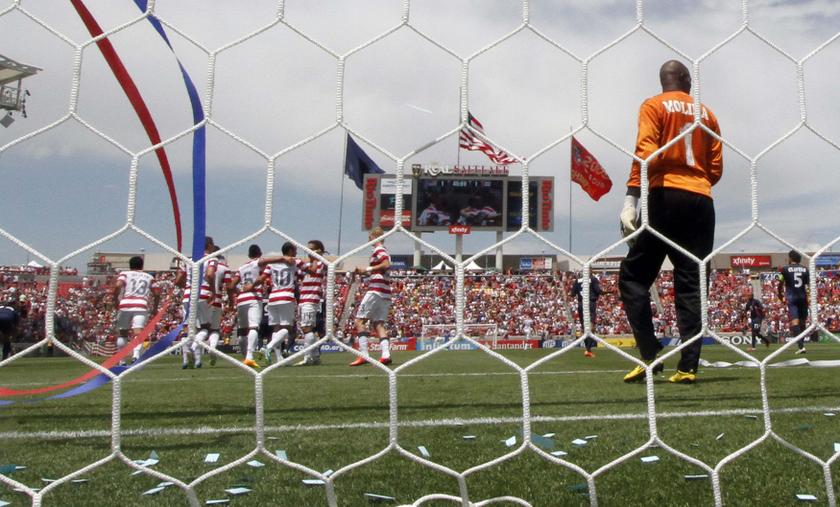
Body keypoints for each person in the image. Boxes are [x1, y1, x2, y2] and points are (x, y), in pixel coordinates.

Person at [618, 59, 723, 385]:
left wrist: (631, 199)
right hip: (702, 200)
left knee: (633, 277)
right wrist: (698, 184)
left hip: (666, 196)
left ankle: (650, 355)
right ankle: (688, 367)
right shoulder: (707, 113)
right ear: (687, 80)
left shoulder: (653, 105)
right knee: (692, 281)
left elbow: (645, 152)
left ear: (663, 80)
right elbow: (716, 166)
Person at [350, 227, 393, 366]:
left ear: (374, 236)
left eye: (369, 237)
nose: (368, 240)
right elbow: (380, 269)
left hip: (376, 289)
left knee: (359, 321)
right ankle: (386, 355)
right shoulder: (382, 250)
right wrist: (362, 272)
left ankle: (364, 355)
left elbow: (386, 264)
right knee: (378, 324)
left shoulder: (379, 249)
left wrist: (367, 269)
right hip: (385, 292)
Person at [258, 242, 302, 365]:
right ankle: (268, 347)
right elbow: (309, 269)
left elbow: (261, 279)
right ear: (290, 251)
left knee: (276, 329)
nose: (296, 253)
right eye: (295, 250)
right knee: (287, 329)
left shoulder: (271, 265)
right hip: (286, 297)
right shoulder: (295, 261)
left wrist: (251, 286)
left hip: (272, 298)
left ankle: (278, 359)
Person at [174, 236, 215, 368]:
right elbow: (209, 274)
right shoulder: (211, 258)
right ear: (209, 245)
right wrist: (213, 290)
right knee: (204, 327)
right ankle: (194, 347)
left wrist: (186, 286)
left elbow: (178, 279)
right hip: (202, 294)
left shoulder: (188, 260)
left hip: (188, 295)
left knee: (189, 329)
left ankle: (191, 360)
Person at [112, 256, 158, 366]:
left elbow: (117, 286)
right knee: (138, 332)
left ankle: (122, 360)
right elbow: (157, 293)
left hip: (125, 304)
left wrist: (115, 299)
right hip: (141, 305)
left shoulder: (125, 274)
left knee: (122, 333)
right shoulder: (149, 277)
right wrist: (155, 307)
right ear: (142, 265)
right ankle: (136, 355)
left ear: (130, 265)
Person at [228, 244, 265, 368]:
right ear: (260, 254)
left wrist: (240, 293)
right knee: (253, 328)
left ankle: (244, 357)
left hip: (242, 298)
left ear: (249, 255)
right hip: (254, 297)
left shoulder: (242, 267)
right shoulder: (259, 264)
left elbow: (231, 286)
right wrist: (253, 286)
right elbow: (261, 278)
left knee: (243, 331)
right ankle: (249, 356)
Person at [297, 240, 327, 366]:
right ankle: (315, 357)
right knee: (307, 329)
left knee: (307, 328)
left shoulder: (321, 264)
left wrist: (319, 255)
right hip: (303, 300)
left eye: (311, 249)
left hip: (311, 300)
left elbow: (333, 263)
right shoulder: (305, 267)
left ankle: (308, 357)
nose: (308, 252)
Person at [778, 250, 810, 354]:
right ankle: (802, 344)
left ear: (791, 258)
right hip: (803, 297)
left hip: (792, 298)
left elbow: (780, 282)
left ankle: (801, 347)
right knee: (802, 322)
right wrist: (809, 296)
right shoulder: (805, 269)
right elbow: (808, 284)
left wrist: (780, 294)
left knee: (795, 322)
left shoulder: (785, 269)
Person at [206, 245, 231, 366]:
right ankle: (213, 347)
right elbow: (229, 286)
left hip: (204, 298)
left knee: (200, 329)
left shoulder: (202, 264)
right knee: (214, 329)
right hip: (216, 300)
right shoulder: (224, 268)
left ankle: (195, 351)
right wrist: (231, 301)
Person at [571, 273, 603, 358]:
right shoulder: (593, 279)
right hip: (590, 304)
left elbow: (572, 294)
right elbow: (598, 291)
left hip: (581, 305)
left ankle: (587, 349)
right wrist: (608, 292)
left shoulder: (577, 280)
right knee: (591, 327)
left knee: (584, 328)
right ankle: (588, 350)